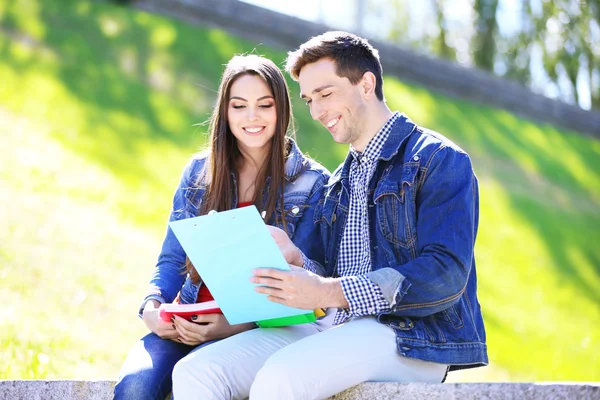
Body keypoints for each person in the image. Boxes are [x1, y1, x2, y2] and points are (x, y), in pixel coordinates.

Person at [172, 31, 488, 399]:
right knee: (198, 371)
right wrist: (294, 256)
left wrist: (328, 291)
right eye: (309, 99)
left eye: (326, 94)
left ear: (366, 84)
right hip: (335, 327)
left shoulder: (438, 160)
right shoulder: (338, 181)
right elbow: (325, 275)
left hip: (411, 335)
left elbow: (445, 274)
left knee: (283, 377)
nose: (317, 111)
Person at [113, 54, 330, 400]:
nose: (252, 117)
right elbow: (170, 261)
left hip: (251, 332)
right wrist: (153, 310)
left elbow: (310, 284)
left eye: (264, 105)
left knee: (196, 379)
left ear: (282, 110)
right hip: (182, 318)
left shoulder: (313, 183)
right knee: (135, 386)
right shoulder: (199, 173)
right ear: (225, 112)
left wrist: (231, 326)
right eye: (239, 106)